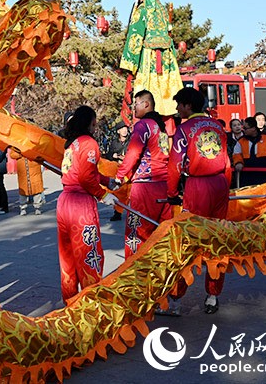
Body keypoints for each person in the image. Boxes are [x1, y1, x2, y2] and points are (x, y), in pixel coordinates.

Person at [167, 87, 232, 315]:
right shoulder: (218, 126)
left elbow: (175, 164)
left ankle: (175, 298)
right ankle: (213, 295)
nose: (177, 109)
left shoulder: (184, 129)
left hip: (198, 187)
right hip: (220, 185)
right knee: (217, 240)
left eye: (179, 105)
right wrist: (226, 187)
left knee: (187, 241)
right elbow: (227, 162)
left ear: (187, 105)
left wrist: (171, 191)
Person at [57, 105, 120, 303]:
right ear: (91, 122)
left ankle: (71, 303)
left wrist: (107, 180)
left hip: (65, 202)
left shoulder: (72, 144)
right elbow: (85, 177)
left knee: (67, 259)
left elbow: (84, 171)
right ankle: (91, 304)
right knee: (88, 254)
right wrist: (103, 194)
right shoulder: (89, 143)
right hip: (80, 205)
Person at [115, 90, 172, 258]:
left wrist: (120, 176)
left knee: (137, 236)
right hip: (164, 186)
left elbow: (133, 153)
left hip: (145, 187)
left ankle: (136, 279)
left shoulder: (143, 125)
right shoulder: (161, 127)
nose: (133, 108)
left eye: (136, 104)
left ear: (146, 104)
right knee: (163, 237)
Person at [233, 116, 266, 187]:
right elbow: (236, 155)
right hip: (247, 177)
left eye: (246, 128)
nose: (244, 130)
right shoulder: (241, 141)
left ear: (253, 128)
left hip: (265, 175)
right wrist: (238, 163)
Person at [10, 148, 45, 215]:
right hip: (23, 171)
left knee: (36, 189)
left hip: (35, 169)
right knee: (23, 190)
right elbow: (12, 155)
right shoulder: (15, 144)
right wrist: (21, 153)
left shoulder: (34, 144)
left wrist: (32, 154)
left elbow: (41, 155)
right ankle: (23, 207)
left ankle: (37, 207)